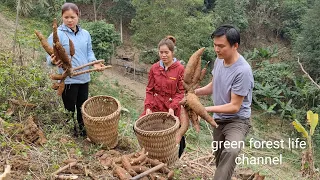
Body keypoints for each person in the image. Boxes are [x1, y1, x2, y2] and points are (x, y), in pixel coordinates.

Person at [194, 25, 254, 180]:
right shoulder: (219, 60)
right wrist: (195, 93)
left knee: (231, 150)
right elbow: (214, 85)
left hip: (237, 121)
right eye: (215, 45)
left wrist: (203, 109)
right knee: (220, 160)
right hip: (218, 120)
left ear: (235, 46)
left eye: (221, 46)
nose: (216, 49)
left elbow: (234, 106)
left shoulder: (243, 71)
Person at [46, 3, 105, 137]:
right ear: (62, 17)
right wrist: (53, 61)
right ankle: (70, 136)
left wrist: (95, 64)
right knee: (69, 109)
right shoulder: (57, 35)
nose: (69, 20)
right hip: (68, 80)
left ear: (78, 16)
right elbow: (49, 57)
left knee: (82, 108)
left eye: (72, 17)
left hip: (84, 78)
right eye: (66, 17)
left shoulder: (85, 34)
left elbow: (89, 53)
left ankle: (84, 134)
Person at [141, 36, 186, 157]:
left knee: (174, 136)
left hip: (172, 108)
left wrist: (172, 107)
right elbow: (149, 90)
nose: (164, 55)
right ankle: (152, 156)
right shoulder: (154, 68)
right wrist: (148, 107)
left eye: (166, 52)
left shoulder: (180, 69)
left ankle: (174, 158)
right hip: (156, 105)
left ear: (172, 52)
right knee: (143, 130)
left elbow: (181, 92)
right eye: (161, 52)